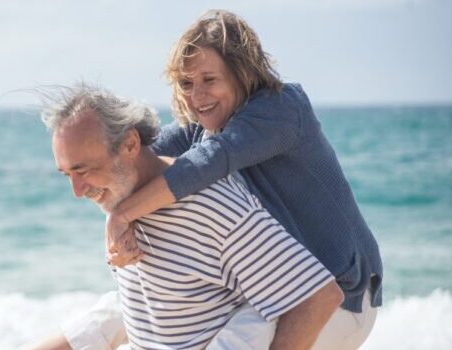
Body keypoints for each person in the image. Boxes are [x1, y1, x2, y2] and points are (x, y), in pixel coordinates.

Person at [101, 9, 382, 350]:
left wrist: (123, 214)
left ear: (240, 73)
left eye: (209, 79)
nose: (197, 95)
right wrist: (97, 175)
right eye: (187, 83)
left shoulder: (281, 108)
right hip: (276, 289)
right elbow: (142, 159)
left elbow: (210, 160)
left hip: (339, 298)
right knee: (119, 317)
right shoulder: (202, 126)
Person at [35, 84, 341, 349]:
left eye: (83, 170)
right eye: (67, 174)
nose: (76, 190)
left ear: (129, 144)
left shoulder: (213, 207)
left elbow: (318, 297)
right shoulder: (118, 208)